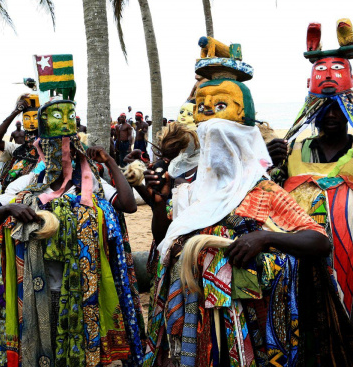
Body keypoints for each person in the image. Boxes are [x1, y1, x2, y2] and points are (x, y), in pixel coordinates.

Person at [143, 40, 353, 366]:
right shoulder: (190, 191)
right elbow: (162, 235)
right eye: (209, 139)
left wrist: (265, 238)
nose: (216, 151)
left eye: (225, 140)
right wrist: (158, 205)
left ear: (242, 141)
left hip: (245, 329)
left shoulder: (263, 193)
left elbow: (319, 241)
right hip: (190, 318)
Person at [0, 95, 147, 367]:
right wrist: (9, 210)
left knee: (80, 353)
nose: (64, 154)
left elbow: (128, 205)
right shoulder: (28, 184)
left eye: (69, 148)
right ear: (43, 150)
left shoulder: (90, 185)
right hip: (40, 290)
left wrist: (109, 162)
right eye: (56, 149)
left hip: (84, 289)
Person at [267, 23, 353, 318]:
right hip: (299, 253)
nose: (331, 114)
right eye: (324, 107)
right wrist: (272, 164)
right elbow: (270, 195)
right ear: (313, 110)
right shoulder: (294, 150)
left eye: (337, 107)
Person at [0, 94, 42, 191]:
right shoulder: (17, 150)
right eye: (27, 118)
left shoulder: (48, 153)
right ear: (22, 121)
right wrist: (15, 112)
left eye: (35, 118)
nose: (31, 122)